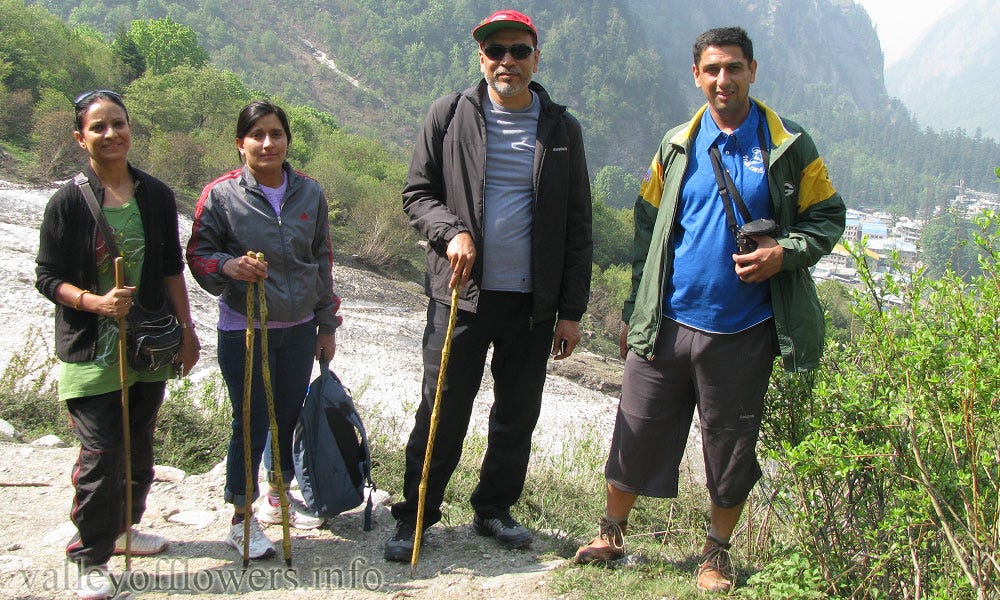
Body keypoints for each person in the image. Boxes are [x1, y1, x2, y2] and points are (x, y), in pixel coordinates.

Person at [572, 27, 846, 593]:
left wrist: (783, 252)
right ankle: (611, 533)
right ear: (697, 76)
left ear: (753, 71)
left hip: (745, 329)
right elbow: (648, 227)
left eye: (735, 67)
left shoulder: (790, 144)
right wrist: (635, 309)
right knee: (635, 426)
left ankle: (715, 555)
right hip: (668, 320)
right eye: (713, 69)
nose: (724, 79)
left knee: (730, 446)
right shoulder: (677, 144)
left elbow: (827, 217)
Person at [384, 9, 592, 563]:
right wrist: (451, 231)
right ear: (481, 58)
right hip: (460, 295)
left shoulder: (562, 129)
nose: (507, 61)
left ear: (536, 59)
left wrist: (571, 311)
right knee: (442, 409)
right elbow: (417, 194)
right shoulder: (450, 114)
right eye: (496, 51)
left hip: (532, 303)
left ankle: (494, 508)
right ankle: (416, 514)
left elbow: (577, 223)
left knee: (517, 413)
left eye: (519, 51)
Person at [35, 89, 201, 599]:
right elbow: (47, 278)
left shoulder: (155, 195)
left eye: (119, 124)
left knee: (138, 445)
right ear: (79, 137)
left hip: (147, 346)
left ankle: (124, 529)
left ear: (131, 128)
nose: (111, 134)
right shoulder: (68, 201)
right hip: (92, 350)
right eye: (99, 127)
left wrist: (187, 331)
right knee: (102, 455)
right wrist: (94, 302)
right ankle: (90, 555)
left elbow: (170, 267)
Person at [186, 100, 341, 560]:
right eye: (257, 135)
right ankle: (242, 518)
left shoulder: (309, 193)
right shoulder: (220, 195)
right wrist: (228, 266)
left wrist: (326, 324)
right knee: (250, 422)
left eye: (276, 134)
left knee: (287, 416)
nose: (267, 143)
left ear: (288, 140)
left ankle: (278, 493)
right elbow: (198, 254)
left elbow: (322, 260)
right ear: (241, 144)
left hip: (299, 328)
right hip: (246, 328)